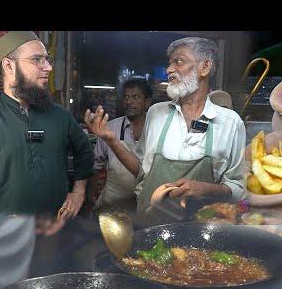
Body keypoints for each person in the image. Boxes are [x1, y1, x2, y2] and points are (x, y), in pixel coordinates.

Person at [85, 37, 246, 211]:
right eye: (169, 63)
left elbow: (239, 189)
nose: (169, 70)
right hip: (150, 221)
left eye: (178, 62)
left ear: (205, 67)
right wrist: (111, 140)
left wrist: (208, 189)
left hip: (201, 226)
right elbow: (141, 171)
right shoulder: (156, 113)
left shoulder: (230, 123)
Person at [0, 31, 94, 233]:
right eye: (37, 60)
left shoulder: (60, 116)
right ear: (9, 66)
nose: (49, 68)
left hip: (55, 232)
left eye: (47, 60)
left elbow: (84, 151)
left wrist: (78, 192)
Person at [90, 78, 153, 211]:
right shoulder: (109, 129)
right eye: (126, 97)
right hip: (111, 207)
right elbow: (95, 168)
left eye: (135, 97)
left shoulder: (156, 129)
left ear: (147, 102)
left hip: (143, 209)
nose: (129, 102)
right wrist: (88, 201)